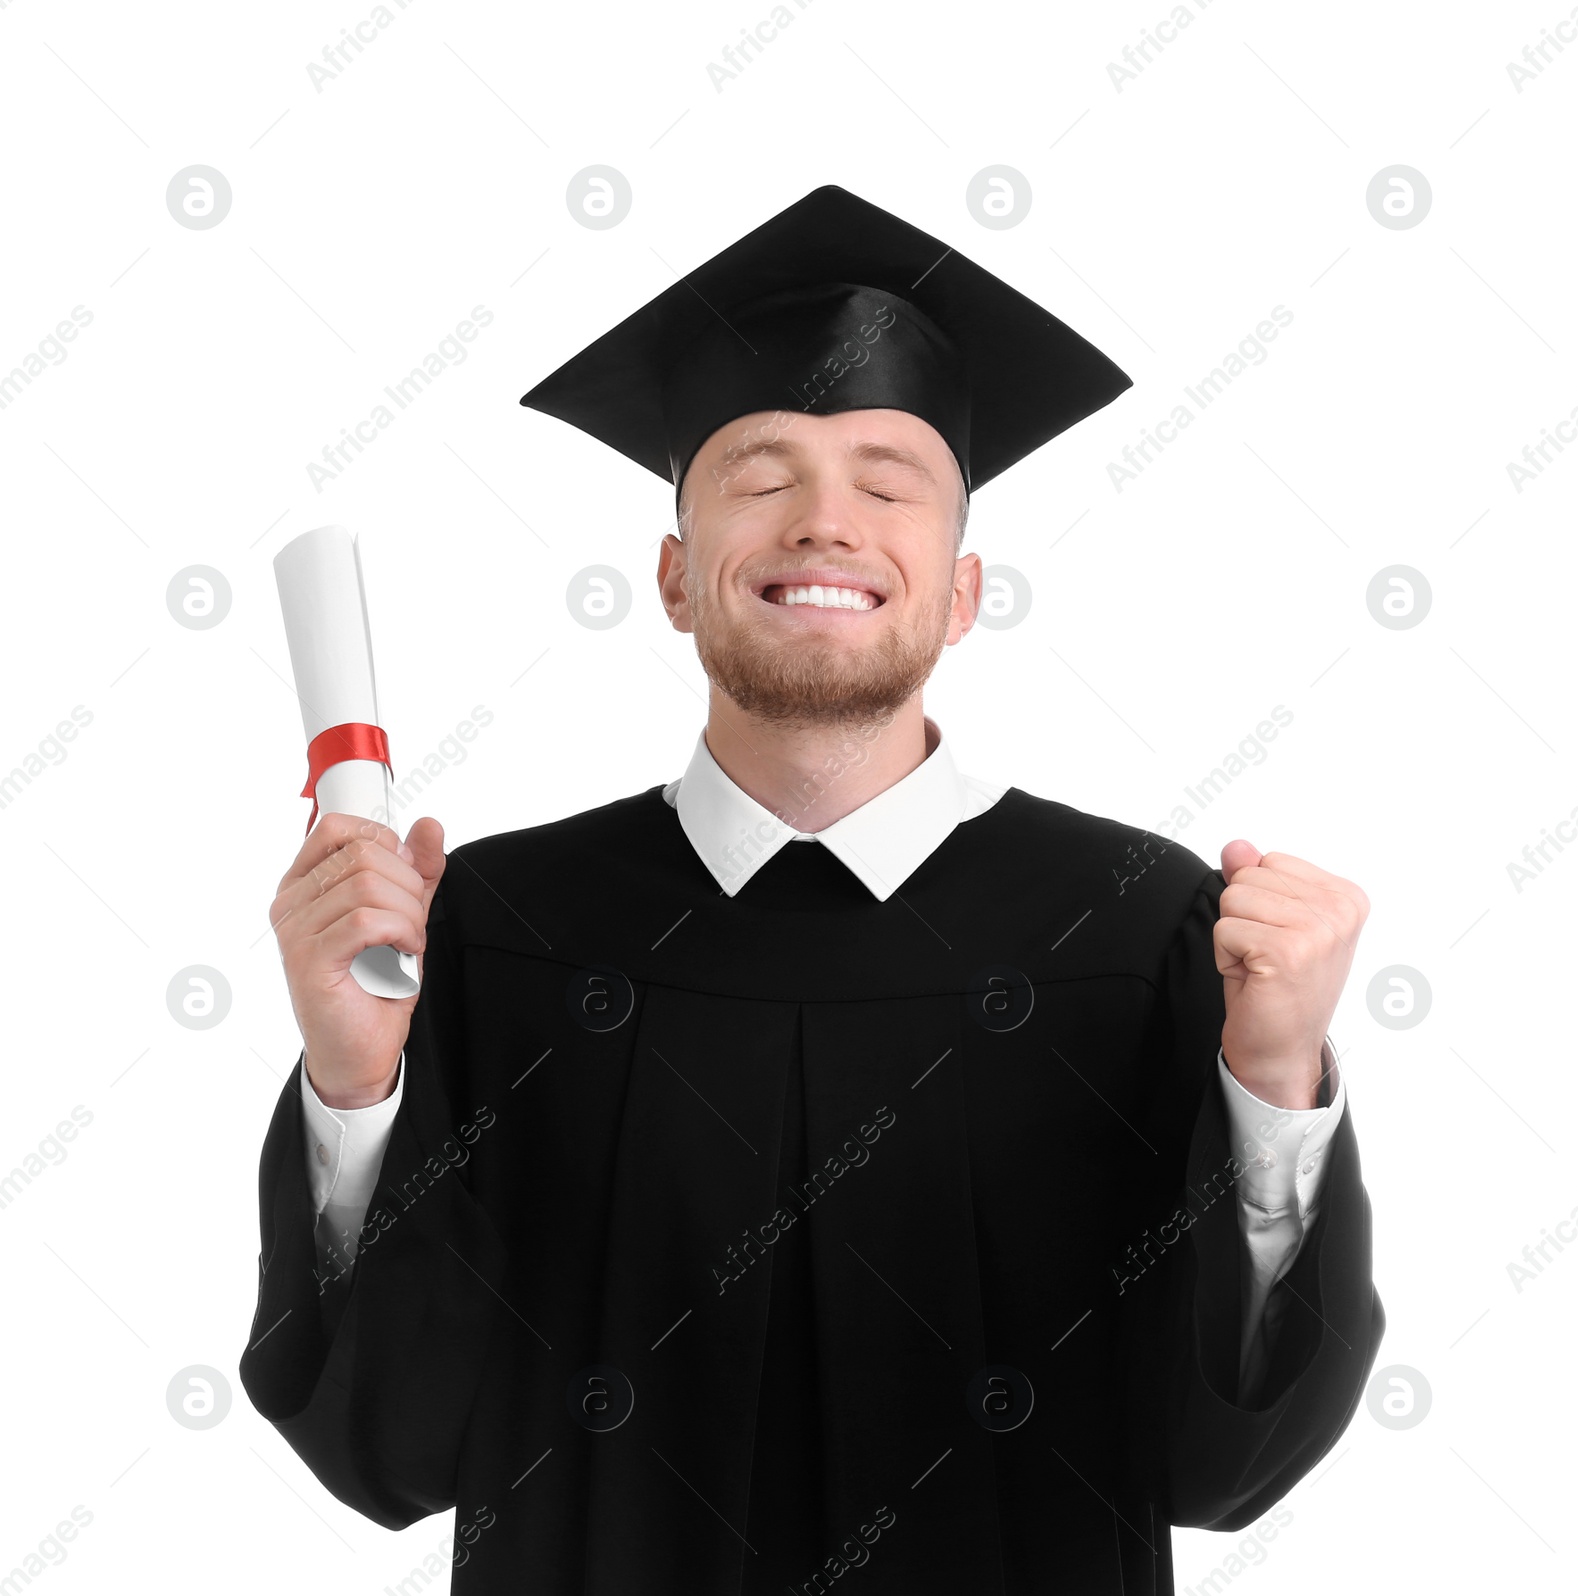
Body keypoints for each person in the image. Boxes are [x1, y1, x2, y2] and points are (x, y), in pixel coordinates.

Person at [244, 184, 1383, 1595]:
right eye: (763, 475)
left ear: (960, 593)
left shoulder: (1140, 930)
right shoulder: (498, 931)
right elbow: (395, 1457)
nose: (826, 522)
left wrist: (1272, 1081)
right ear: (673, 577)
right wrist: (358, 1090)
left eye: (890, 482)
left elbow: (1224, 1469)